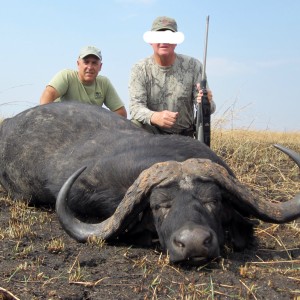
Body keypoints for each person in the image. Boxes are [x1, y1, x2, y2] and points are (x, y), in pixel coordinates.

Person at [129, 16, 215, 136]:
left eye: (169, 36)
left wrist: (207, 101)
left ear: (176, 41)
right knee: (135, 124)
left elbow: (209, 109)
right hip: (151, 136)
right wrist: (154, 116)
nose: (164, 41)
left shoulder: (194, 66)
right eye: (158, 36)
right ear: (150, 41)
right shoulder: (139, 69)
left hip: (184, 136)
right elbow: (135, 108)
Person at [40, 46, 127, 118]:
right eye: (86, 62)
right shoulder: (66, 76)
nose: (90, 67)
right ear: (78, 64)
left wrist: (101, 122)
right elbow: (48, 95)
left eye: (94, 63)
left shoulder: (104, 83)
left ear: (100, 66)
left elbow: (121, 113)